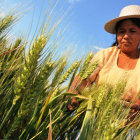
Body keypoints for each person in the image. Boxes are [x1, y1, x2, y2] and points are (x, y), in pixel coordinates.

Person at [68, 4, 140, 125]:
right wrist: (73, 92)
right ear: (117, 35)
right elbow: (83, 78)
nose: (126, 36)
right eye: (121, 31)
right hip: (96, 122)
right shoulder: (106, 55)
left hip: (132, 128)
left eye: (132, 31)